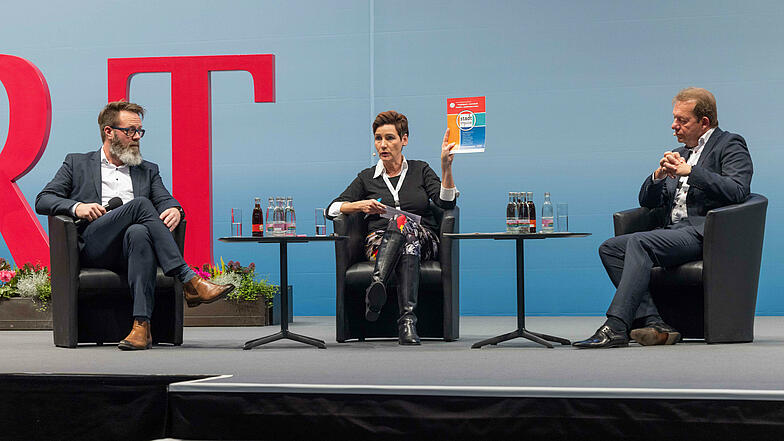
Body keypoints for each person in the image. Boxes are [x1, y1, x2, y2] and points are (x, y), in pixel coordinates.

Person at [36, 101, 235, 351]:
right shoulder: (77, 163)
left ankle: (141, 327)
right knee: (140, 204)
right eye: (130, 131)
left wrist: (176, 209)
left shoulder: (147, 170)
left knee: (139, 232)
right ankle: (188, 279)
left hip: (132, 248)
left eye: (140, 131)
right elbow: (44, 199)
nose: (137, 137)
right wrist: (78, 207)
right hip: (96, 245)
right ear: (109, 131)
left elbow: (165, 199)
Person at [573, 87, 753, 349]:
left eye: (682, 120)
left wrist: (691, 172)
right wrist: (658, 176)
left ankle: (615, 326)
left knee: (639, 243)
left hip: (704, 231)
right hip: (672, 230)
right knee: (611, 248)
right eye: (674, 118)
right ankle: (655, 323)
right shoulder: (681, 151)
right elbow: (646, 202)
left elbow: (738, 190)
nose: (674, 126)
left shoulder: (730, 144)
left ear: (704, 122)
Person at [327, 110, 458, 345]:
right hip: (380, 243)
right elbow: (332, 209)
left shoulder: (420, 170)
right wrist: (360, 205)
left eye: (390, 138)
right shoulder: (366, 178)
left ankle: (377, 284)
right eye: (378, 138)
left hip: (424, 238)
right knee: (407, 244)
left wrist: (446, 167)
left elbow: (446, 203)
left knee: (405, 227)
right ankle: (407, 322)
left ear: (404, 140)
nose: (383, 145)